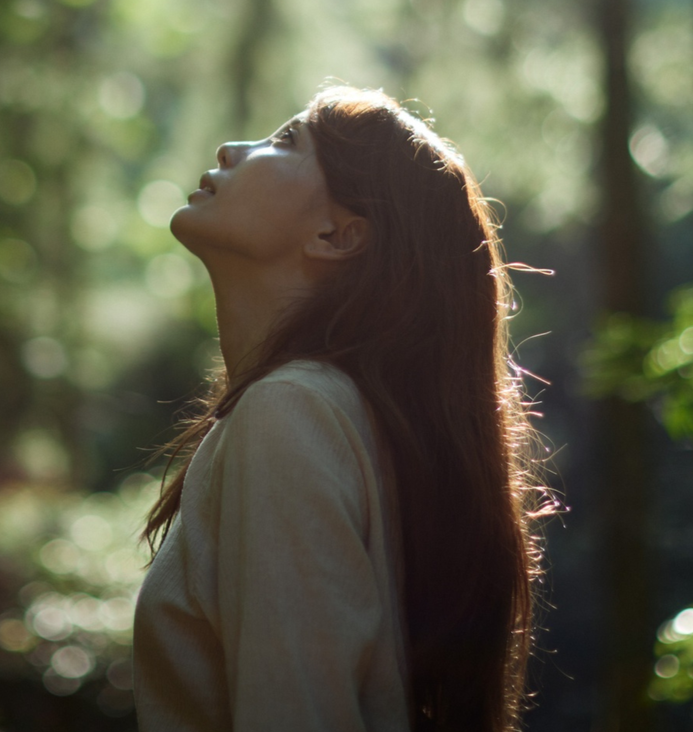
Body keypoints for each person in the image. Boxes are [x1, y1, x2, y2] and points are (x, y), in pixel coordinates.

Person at [132, 85, 547, 732]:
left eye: (285, 140)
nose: (231, 149)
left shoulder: (288, 413)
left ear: (336, 233)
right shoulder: (333, 416)